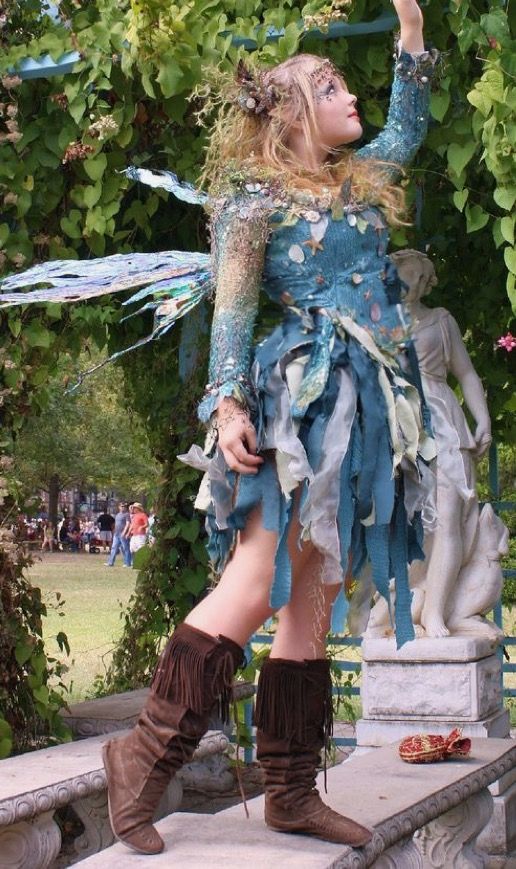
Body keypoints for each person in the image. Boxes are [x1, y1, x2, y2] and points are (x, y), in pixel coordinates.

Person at [98, 0, 441, 856]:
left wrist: (410, 32)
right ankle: (138, 758)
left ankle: (290, 791)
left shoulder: (363, 181)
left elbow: (405, 127)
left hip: (357, 419)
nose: (348, 94)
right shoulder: (253, 205)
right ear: (292, 114)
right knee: (257, 584)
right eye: (330, 86)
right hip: (296, 408)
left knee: (313, 600)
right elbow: (234, 314)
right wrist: (227, 404)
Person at [390, 249, 492, 636]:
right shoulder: (379, 324)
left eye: (416, 277)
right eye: (402, 276)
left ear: (425, 282)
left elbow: (465, 374)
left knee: (448, 519)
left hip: (443, 422)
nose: (408, 283)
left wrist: (481, 418)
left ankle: (434, 610)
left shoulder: (440, 321)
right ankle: (403, 607)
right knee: (403, 523)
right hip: (397, 428)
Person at [105, 502, 132, 567]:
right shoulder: (117, 515)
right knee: (114, 548)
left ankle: (127, 563)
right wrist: (113, 531)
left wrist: (124, 532)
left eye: (124, 506)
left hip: (123, 534)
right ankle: (110, 562)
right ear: (119, 507)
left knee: (125, 548)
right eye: (122, 506)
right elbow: (116, 524)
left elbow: (128, 524)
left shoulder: (127, 514)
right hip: (116, 534)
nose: (123, 507)